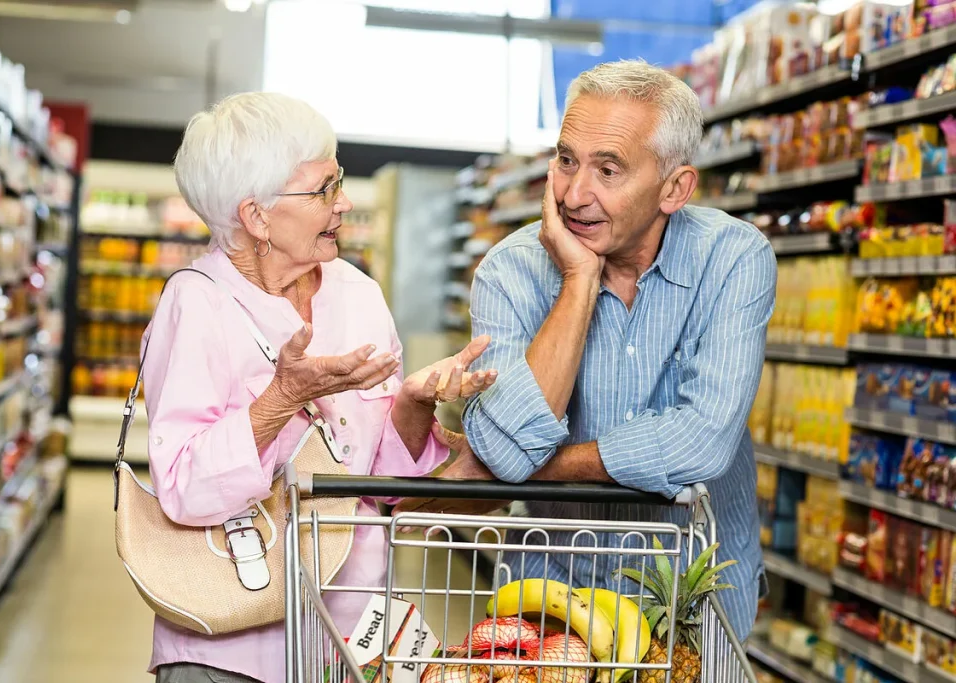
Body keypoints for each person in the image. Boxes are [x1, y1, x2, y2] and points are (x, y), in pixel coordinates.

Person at [398, 60, 775, 640]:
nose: (575, 194)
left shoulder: (732, 260)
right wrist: (578, 280)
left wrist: (539, 466)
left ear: (674, 188)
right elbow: (504, 447)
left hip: (691, 601)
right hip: (549, 591)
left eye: (609, 169)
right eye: (566, 160)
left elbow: (703, 442)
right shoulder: (511, 271)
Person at [142, 91, 497, 683]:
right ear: (255, 216)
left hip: (346, 633)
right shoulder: (196, 304)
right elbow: (181, 485)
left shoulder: (355, 293)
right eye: (324, 189)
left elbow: (376, 480)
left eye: (340, 180)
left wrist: (410, 404)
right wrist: (279, 399)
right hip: (232, 641)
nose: (345, 203)